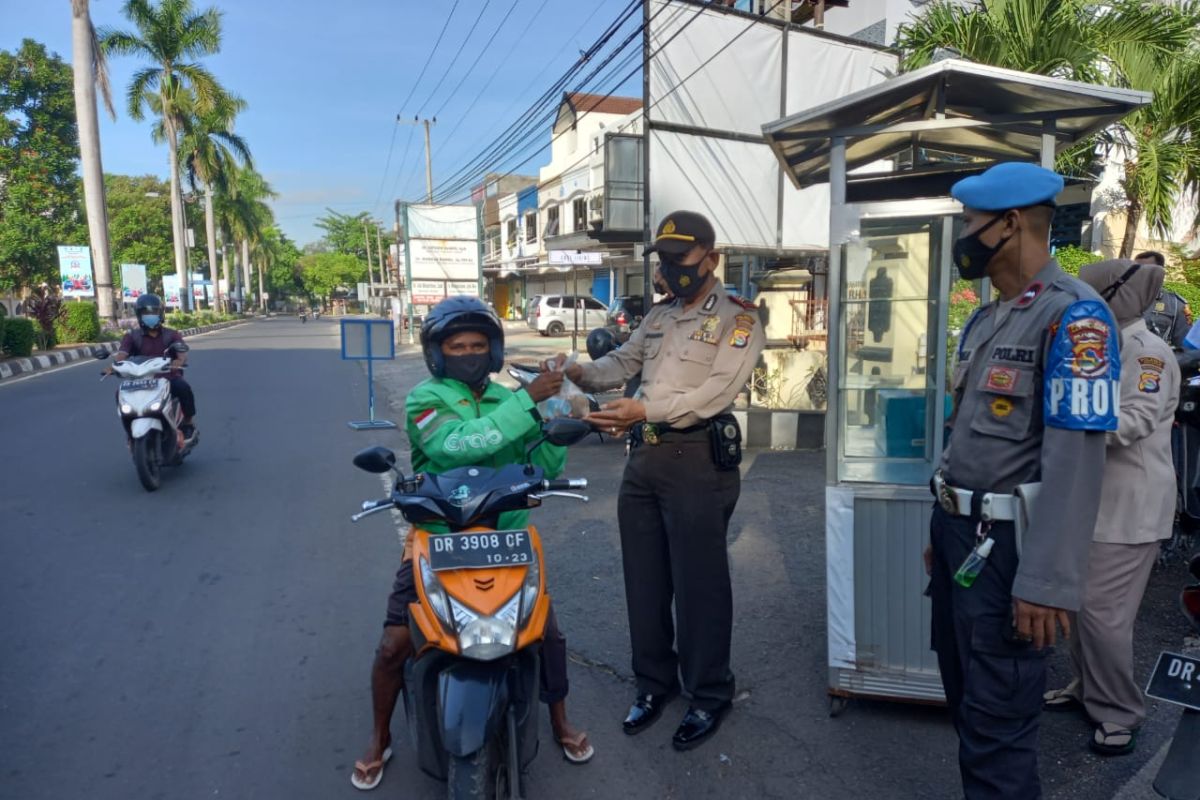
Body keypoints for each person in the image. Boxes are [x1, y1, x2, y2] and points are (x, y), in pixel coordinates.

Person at [927, 162, 1120, 799]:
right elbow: (968, 435)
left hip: (1013, 554)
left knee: (1000, 727)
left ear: (1009, 225)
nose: (962, 238)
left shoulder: (1076, 319)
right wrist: (947, 517)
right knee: (970, 707)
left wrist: (1046, 583)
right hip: (963, 537)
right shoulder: (991, 319)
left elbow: (1076, 463)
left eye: (969, 225)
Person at [351, 296, 593, 791]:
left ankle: (559, 721)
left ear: (494, 348)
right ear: (437, 352)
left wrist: (551, 408)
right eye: (456, 345)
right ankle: (378, 737)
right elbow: (456, 445)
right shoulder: (425, 399)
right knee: (395, 643)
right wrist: (528, 403)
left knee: (546, 633)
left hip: (505, 535)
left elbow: (544, 468)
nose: (467, 352)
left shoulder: (511, 399)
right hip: (439, 537)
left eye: (477, 344)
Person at [550, 210, 765, 751]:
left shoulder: (741, 318)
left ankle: (709, 694)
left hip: (696, 461)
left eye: (680, 258)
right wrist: (577, 373)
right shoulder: (660, 316)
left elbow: (716, 393)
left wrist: (644, 412)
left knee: (699, 588)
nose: (669, 269)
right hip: (642, 461)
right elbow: (622, 362)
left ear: (711, 259)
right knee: (645, 582)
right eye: (664, 259)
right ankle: (653, 684)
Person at [1042, 259, 1180, 755]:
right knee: (1081, 607)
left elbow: (1134, 420)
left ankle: (1120, 711)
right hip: (1098, 505)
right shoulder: (1105, 347)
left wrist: (1066, 421)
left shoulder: (1148, 354)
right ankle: (1087, 687)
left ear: (1116, 296)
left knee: (1103, 615)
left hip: (1130, 510)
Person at [109, 293, 196, 439]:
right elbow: (122, 354)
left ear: (161, 314)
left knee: (183, 388)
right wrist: (113, 366)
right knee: (120, 393)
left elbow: (182, 353)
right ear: (139, 315)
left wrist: (178, 362)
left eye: (154, 312)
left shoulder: (172, 335)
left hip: (168, 377)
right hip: (139, 380)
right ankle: (130, 429)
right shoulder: (132, 336)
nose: (150, 316)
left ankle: (188, 423)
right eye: (146, 313)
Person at [1136, 250, 1190, 349]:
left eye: (1145, 270)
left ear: (1160, 274)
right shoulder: (1120, 300)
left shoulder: (1176, 305)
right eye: (1134, 269)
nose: (1137, 274)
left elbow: (1185, 350)